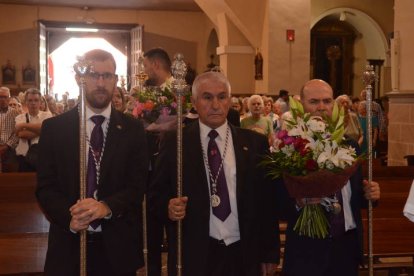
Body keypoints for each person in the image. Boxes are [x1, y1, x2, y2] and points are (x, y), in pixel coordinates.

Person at [150, 71, 280, 276]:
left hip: (243, 250)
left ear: (229, 100)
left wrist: (270, 253)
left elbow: (266, 202)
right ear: (194, 101)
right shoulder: (176, 142)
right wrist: (168, 206)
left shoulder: (254, 143)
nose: (215, 105)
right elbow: (155, 195)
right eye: (207, 97)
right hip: (195, 253)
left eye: (222, 97)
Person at [35, 49, 148, 276]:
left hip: (117, 248)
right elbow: (45, 187)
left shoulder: (132, 129)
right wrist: (70, 218)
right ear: (80, 78)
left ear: (116, 80)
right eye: (93, 74)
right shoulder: (54, 129)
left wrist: (106, 207)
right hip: (68, 245)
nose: (100, 82)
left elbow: (138, 185)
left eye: (107, 76)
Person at [281, 79, 381, 276]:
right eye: (314, 101)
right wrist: (300, 202)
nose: (321, 107)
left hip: (346, 247)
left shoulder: (350, 145)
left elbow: (355, 196)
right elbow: (274, 201)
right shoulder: (289, 146)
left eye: (327, 101)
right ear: (301, 105)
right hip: (306, 250)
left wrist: (371, 194)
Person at [15, 88, 52, 172]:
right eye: (30, 100)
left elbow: (47, 130)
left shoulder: (47, 116)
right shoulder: (19, 117)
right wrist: (42, 129)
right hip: (23, 157)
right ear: (26, 102)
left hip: (43, 158)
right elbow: (22, 134)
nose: (33, 103)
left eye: (36, 100)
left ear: (40, 102)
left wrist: (23, 125)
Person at [0, 87, 20, 172]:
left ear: (9, 98)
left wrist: (6, 146)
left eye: (5, 97)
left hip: (10, 149)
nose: (3, 99)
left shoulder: (15, 113)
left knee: (11, 176)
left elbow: (17, 133)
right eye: (0, 97)